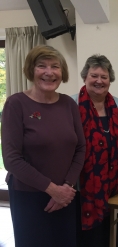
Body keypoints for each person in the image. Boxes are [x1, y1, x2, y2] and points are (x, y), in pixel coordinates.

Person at [1, 45, 86, 247]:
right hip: (29, 197)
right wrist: (52, 189)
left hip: (66, 195)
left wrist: (67, 187)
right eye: (42, 66)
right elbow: (11, 159)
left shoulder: (68, 104)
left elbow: (81, 148)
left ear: (62, 72)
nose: (49, 72)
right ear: (32, 70)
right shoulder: (16, 104)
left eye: (55, 67)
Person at [71, 54, 118, 247]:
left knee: (114, 233)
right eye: (94, 75)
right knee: (90, 238)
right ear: (85, 77)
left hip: (117, 184)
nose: (99, 81)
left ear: (110, 80)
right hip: (85, 186)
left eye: (104, 77)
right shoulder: (71, 105)